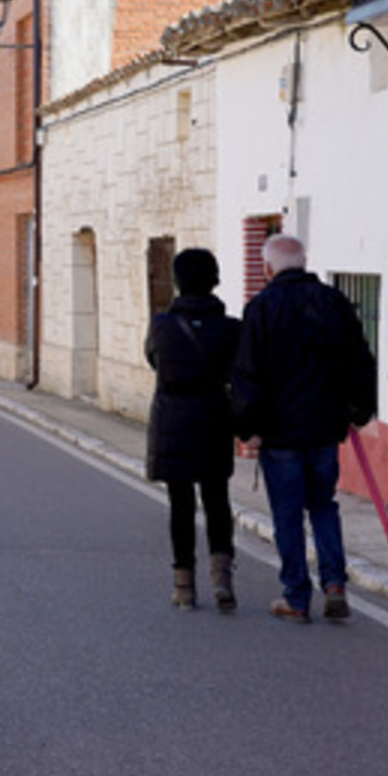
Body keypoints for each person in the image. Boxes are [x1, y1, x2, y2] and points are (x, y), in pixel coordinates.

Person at [230, 233, 377, 623]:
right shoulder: (333, 302)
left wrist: (248, 426)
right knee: (324, 507)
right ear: (304, 261)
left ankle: (296, 595)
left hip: (281, 433)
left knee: (288, 514)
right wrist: (360, 410)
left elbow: (247, 374)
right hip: (325, 427)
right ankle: (334, 583)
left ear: (267, 268)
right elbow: (360, 358)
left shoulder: (261, 308)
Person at [145, 247, 242, 611]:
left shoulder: (161, 325)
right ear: (214, 280)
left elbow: (153, 359)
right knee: (217, 500)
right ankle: (222, 579)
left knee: (180, 505)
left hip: (173, 420)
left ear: (178, 281)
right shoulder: (232, 329)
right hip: (214, 418)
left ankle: (184, 585)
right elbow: (239, 373)